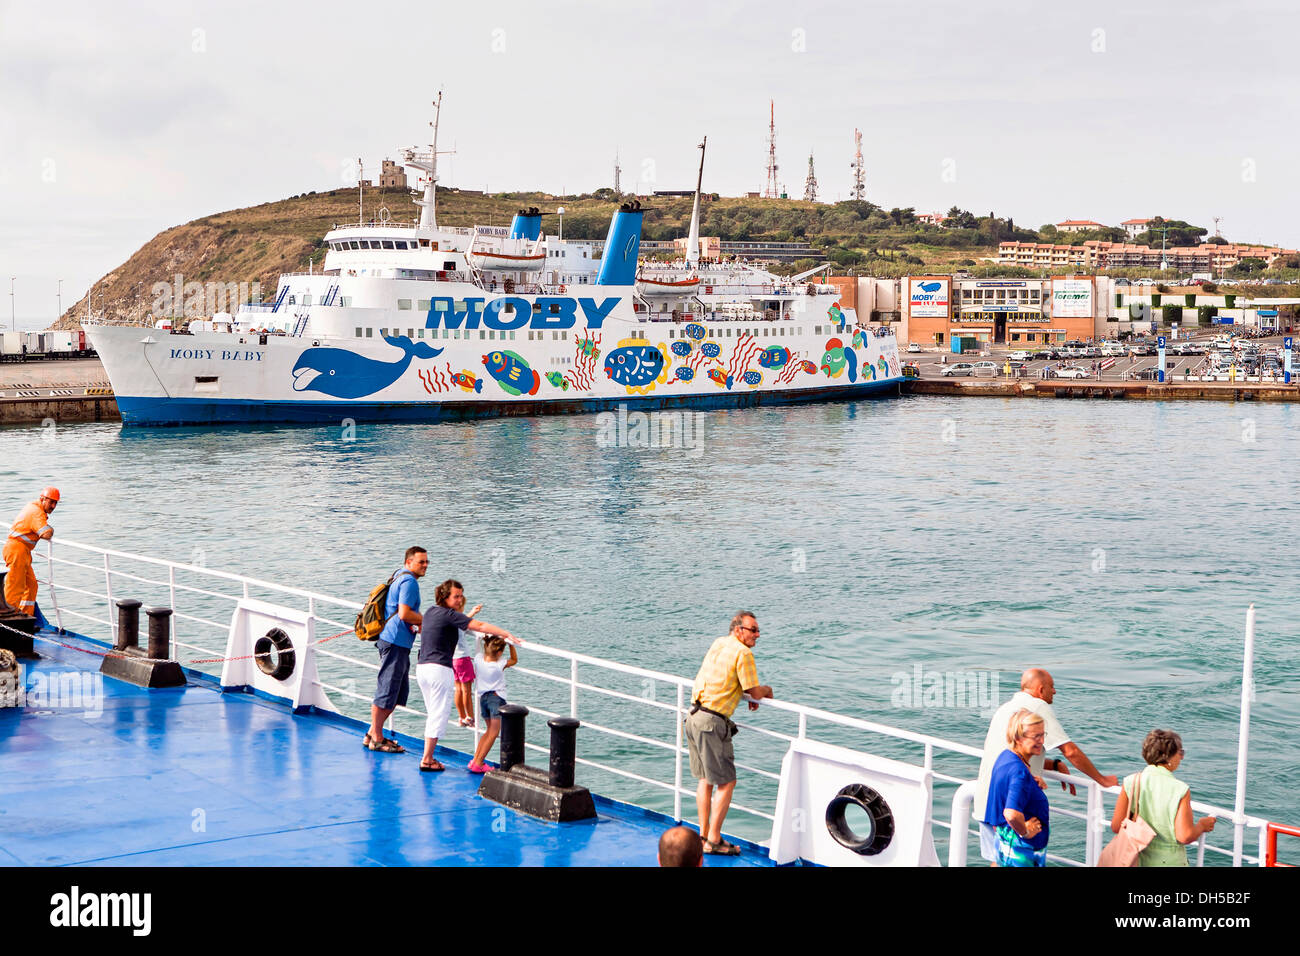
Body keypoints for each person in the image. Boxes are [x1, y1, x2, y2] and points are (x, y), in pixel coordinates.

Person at [973, 668, 1117, 864]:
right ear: (1041, 690)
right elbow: (1070, 750)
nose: (1055, 692)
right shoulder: (1036, 708)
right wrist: (1102, 780)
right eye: (1052, 687)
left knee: (999, 860)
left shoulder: (1006, 708)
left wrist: (1053, 765)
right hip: (1012, 810)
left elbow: (1015, 752)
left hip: (988, 799)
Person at [685, 611, 773, 856]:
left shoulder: (719, 643)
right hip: (712, 722)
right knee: (727, 782)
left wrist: (743, 693)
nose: (757, 634)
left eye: (757, 630)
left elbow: (724, 679)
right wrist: (767, 690)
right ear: (738, 630)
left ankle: (703, 835)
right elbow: (755, 692)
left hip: (693, 716)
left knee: (705, 779)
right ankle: (713, 840)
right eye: (752, 629)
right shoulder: (743, 652)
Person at [416, 579, 519, 772]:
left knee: (433, 714)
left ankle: (428, 756)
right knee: (438, 715)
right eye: (456, 596)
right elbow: (479, 626)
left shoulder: (430, 611)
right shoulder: (450, 615)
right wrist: (506, 634)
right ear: (445, 597)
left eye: (461, 595)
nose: (460, 599)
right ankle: (427, 759)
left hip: (422, 667)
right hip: (439, 669)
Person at [1110, 729, 1216, 866]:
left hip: (1136, 859)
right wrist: (1201, 825)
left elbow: (1116, 826)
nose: (1182, 757)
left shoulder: (1131, 782)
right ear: (1168, 757)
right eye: (1180, 753)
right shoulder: (1180, 789)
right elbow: (1185, 835)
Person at [365, 547, 427, 754]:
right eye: (421, 562)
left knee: (396, 692)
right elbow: (404, 613)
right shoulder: (409, 582)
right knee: (387, 691)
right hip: (395, 642)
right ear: (409, 562)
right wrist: (428, 621)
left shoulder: (398, 575)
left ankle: (373, 732)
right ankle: (377, 738)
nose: (425, 565)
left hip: (393, 640)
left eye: (427, 562)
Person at [984, 709, 1051, 867]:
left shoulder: (1006, 757)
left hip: (1005, 841)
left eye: (1043, 735)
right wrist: (1025, 831)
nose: (1041, 741)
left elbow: (1008, 787)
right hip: (1021, 849)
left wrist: (1032, 783)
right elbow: (1011, 814)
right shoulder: (1019, 772)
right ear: (1018, 738)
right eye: (1036, 736)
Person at [4, 487, 60, 616]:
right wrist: (50, 529)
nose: (53, 506)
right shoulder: (36, 512)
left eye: (56, 503)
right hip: (17, 551)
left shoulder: (33, 507)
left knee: (31, 585)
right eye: (51, 502)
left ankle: (25, 615)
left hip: (22, 551)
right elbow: (45, 533)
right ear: (42, 499)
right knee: (15, 587)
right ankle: (7, 618)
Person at [467, 635, 517, 772]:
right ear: (500, 653)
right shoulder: (499, 664)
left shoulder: (478, 659)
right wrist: (511, 645)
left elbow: (478, 654)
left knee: (488, 731)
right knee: (494, 732)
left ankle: (475, 759)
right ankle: (479, 762)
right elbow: (514, 660)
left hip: (483, 698)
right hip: (496, 698)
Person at [452, 602, 484, 728]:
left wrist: (473, 612)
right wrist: (473, 613)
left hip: (452, 659)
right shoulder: (460, 622)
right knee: (467, 691)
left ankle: (461, 717)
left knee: (458, 689)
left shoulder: (450, 621)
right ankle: (470, 717)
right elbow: (466, 622)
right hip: (463, 658)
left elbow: (464, 620)